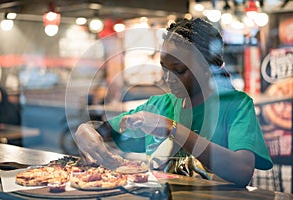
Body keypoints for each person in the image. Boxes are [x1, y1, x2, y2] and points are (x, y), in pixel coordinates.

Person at [74, 17, 273, 187]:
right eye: (164, 68)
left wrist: (172, 129)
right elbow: (103, 130)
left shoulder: (236, 105)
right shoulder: (159, 105)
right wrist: (87, 131)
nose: (169, 79)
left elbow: (242, 171)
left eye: (179, 70)